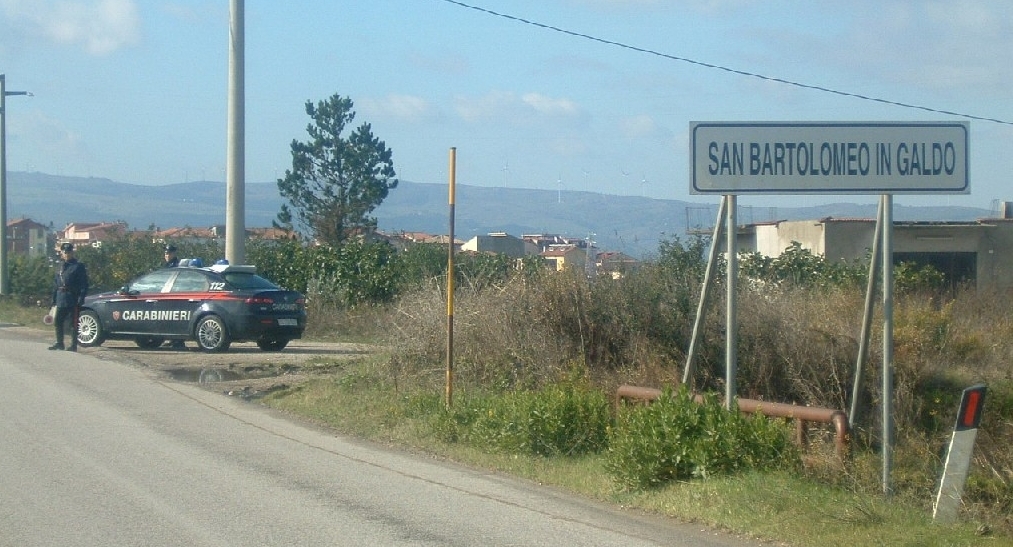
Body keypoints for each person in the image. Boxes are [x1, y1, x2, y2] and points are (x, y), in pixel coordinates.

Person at [49, 242, 89, 351]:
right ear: (61, 253)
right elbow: (55, 284)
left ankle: (73, 345)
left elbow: (83, 284)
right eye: (65, 252)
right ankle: (59, 343)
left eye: (69, 252)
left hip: (72, 297)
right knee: (58, 321)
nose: (67, 254)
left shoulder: (78, 266)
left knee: (73, 322)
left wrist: (81, 298)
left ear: (72, 252)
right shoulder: (60, 266)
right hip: (60, 297)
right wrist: (53, 299)